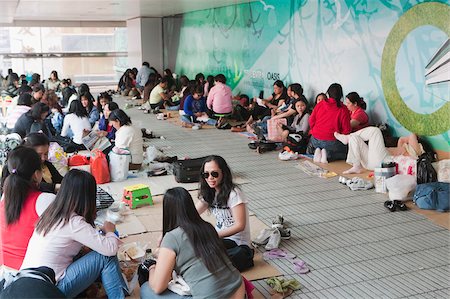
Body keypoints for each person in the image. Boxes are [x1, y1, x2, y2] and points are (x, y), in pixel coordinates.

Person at [20, 169, 128, 298]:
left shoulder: (51, 214)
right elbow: (110, 249)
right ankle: (119, 295)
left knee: (94, 253)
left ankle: (121, 290)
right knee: (105, 256)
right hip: (51, 291)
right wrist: (110, 231)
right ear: (88, 197)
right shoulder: (73, 222)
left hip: (27, 285)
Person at [140, 187, 245, 299]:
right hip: (238, 289)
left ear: (168, 211)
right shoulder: (208, 227)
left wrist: (152, 267)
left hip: (211, 296)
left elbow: (158, 287)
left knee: (146, 288)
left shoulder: (172, 237)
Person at [0, 146, 55, 271]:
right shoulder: (45, 200)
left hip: (4, 272)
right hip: (30, 274)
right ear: (36, 174)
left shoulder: (5, 197)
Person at [196, 156, 254, 272]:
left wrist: (213, 236)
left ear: (224, 173)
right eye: (206, 175)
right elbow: (191, 214)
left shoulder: (234, 194)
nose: (210, 178)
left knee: (209, 259)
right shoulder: (208, 192)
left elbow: (239, 225)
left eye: (214, 174)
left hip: (237, 243)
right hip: (220, 238)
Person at [335, 127, 425, 174]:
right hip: (371, 163)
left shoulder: (417, 151)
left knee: (375, 131)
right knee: (354, 138)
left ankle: (347, 137)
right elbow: (401, 140)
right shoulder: (405, 149)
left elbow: (412, 135)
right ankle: (356, 165)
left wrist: (414, 137)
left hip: (383, 162)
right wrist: (407, 141)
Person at [307, 83, 351, 163]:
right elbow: (346, 130)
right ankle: (327, 154)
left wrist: (315, 130)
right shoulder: (343, 109)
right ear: (341, 95)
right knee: (346, 152)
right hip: (332, 142)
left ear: (328, 93)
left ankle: (317, 152)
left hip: (315, 139)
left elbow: (311, 120)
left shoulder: (320, 104)